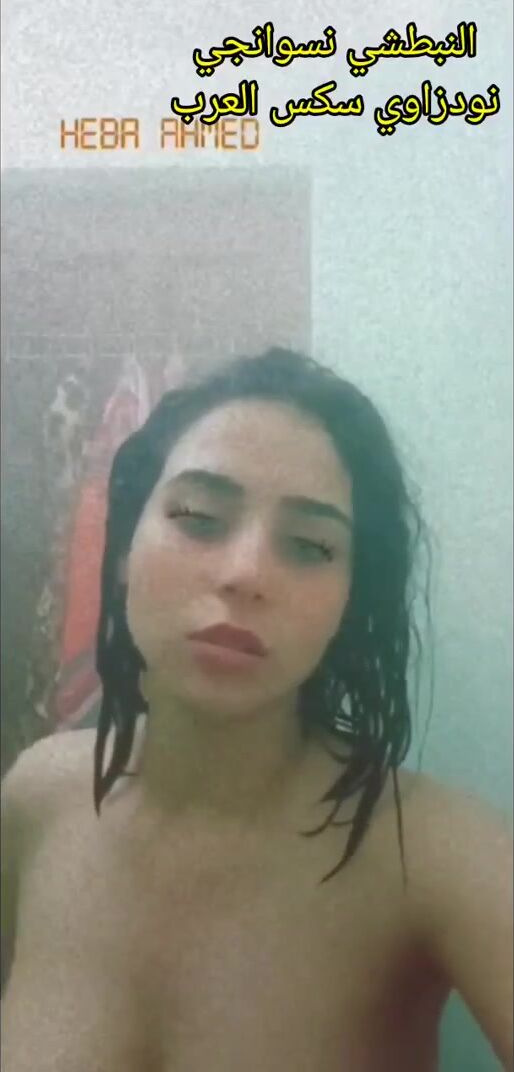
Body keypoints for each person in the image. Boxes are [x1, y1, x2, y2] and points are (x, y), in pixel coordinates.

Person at [1, 346, 512, 1071]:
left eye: (308, 546)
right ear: (122, 551)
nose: (245, 574)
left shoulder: (432, 852)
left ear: (350, 601)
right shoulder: (36, 801)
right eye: (198, 517)